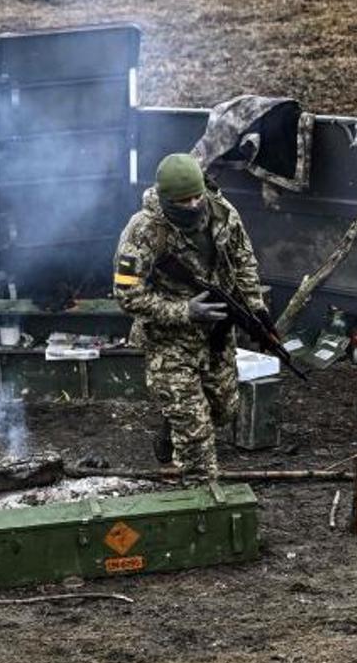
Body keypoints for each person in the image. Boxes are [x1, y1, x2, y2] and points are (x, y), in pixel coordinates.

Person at [113, 153, 271, 479]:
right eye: (185, 201)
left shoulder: (222, 212)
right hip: (168, 337)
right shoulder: (142, 232)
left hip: (216, 329)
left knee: (224, 408)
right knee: (195, 430)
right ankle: (201, 496)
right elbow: (127, 294)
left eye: (198, 196)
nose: (195, 204)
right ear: (168, 199)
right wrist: (184, 311)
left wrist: (256, 308)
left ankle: (171, 429)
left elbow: (243, 260)